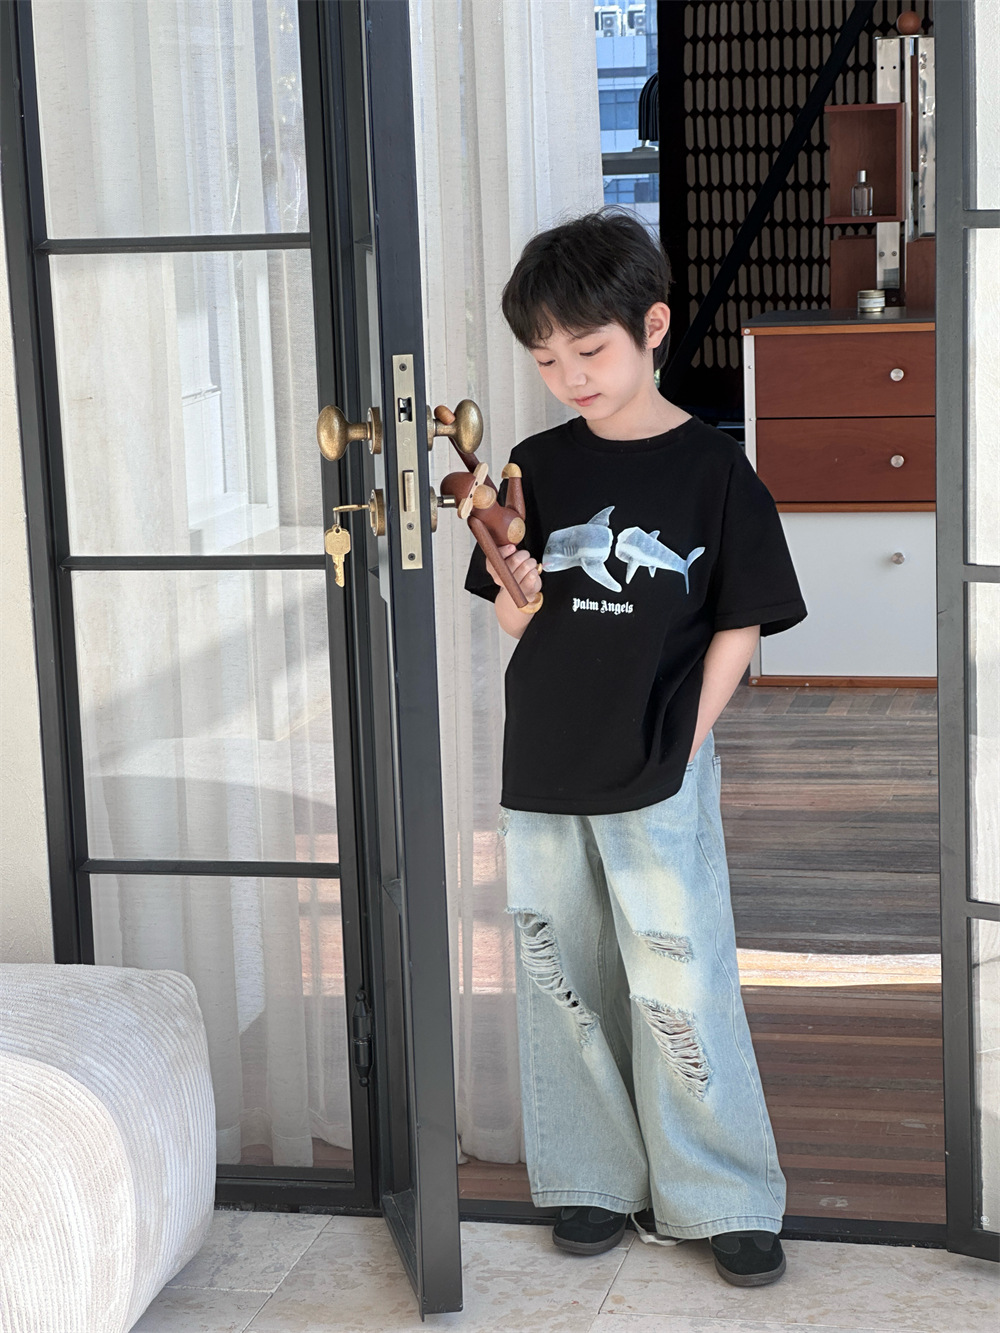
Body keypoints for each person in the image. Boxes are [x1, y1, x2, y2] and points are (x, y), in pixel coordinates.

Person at [462, 209, 807, 1288]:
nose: (568, 376)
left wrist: (685, 740)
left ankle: (723, 1191)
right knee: (561, 973)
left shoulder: (714, 470)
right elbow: (514, 617)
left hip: (661, 759)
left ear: (652, 327)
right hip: (545, 758)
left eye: (588, 350)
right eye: (545, 359)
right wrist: (520, 591)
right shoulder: (532, 466)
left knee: (678, 977)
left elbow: (742, 622)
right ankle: (590, 1178)